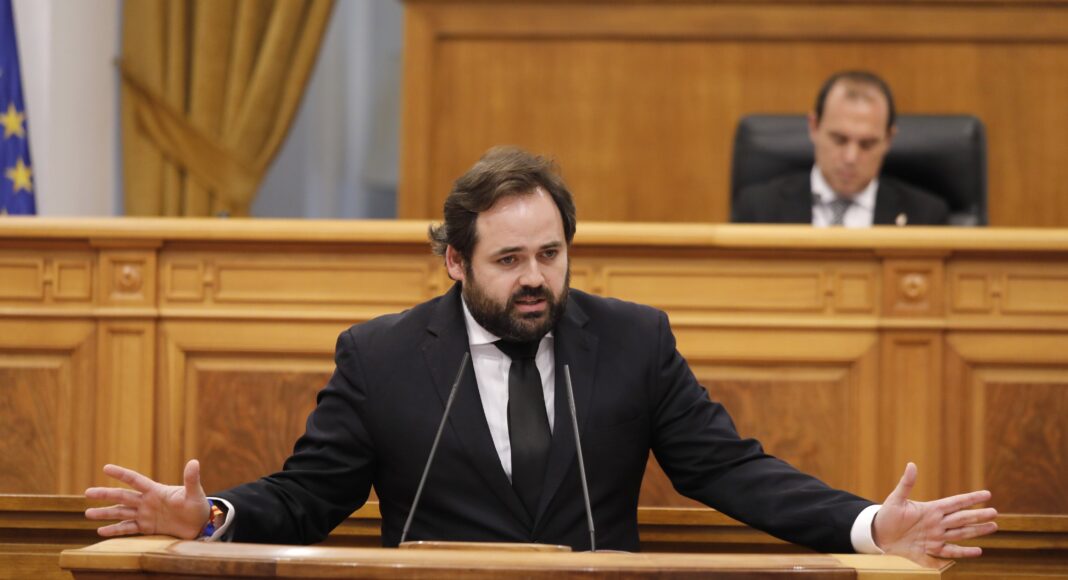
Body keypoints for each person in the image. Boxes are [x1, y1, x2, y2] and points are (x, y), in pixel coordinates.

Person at [86, 146, 994, 566]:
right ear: (454, 261)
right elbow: (309, 495)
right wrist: (211, 514)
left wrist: (870, 526)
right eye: (510, 259)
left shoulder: (633, 340)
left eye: (551, 255)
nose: (535, 280)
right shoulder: (382, 356)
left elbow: (732, 470)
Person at [732, 70, 950, 226]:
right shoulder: (759, 209)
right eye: (839, 139)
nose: (850, 157)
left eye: (867, 144)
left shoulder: (925, 216)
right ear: (814, 127)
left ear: (888, 139)